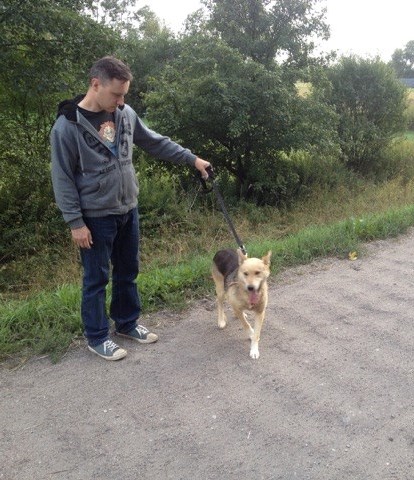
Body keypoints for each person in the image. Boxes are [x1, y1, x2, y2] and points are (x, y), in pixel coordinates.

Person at [50, 56, 211, 361]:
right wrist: (75, 222)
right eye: (116, 94)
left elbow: (155, 142)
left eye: (124, 94)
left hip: (127, 208)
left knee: (128, 271)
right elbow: (62, 178)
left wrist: (193, 159)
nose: (121, 101)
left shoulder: (125, 114)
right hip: (95, 216)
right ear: (95, 84)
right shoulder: (66, 127)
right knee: (96, 279)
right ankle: (97, 337)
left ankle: (126, 323)